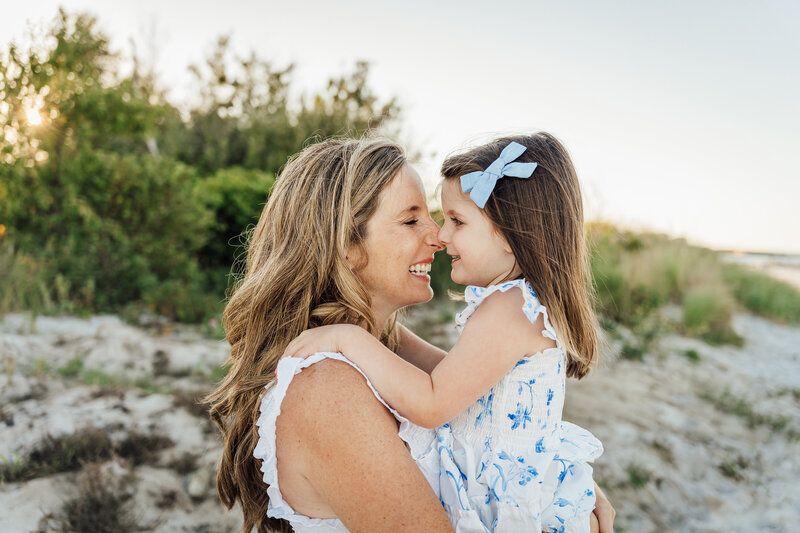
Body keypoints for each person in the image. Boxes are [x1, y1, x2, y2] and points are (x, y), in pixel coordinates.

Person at [206, 137, 615, 533]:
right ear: (345, 245)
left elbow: (486, 398)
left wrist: (558, 482)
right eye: (411, 219)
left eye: (445, 218)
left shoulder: (378, 342)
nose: (438, 235)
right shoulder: (325, 386)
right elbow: (439, 401)